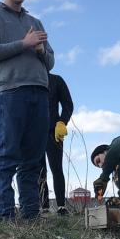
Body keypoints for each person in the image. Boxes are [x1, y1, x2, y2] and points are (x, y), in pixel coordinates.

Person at [0, 0, 54, 221]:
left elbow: (51, 62)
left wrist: (41, 50)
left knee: (33, 158)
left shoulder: (36, 22)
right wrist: (25, 44)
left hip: (39, 92)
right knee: (8, 153)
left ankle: (31, 215)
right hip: (10, 92)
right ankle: (5, 215)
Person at [40, 73, 74, 215]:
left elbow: (68, 104)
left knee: (57, 169)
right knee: (39, 171)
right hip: (33, 132)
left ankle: (61, 206)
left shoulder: (56, 80)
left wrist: (62, 121)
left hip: (54, 131)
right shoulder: (29, 79)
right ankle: (44, 206)